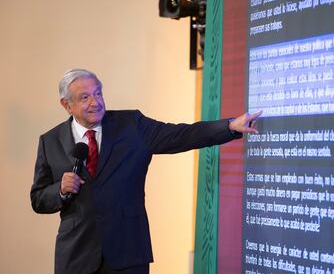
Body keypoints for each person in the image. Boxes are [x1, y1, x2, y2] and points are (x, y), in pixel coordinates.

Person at [30, 69, 261, 274]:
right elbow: (38, 199)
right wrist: (59, 190)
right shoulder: (50, 141)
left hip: (128, 252)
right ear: (66, 105)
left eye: (98, 93)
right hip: (76, 257)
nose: (95, 102)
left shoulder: (132, 125)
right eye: (85, 97)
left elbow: (181, 135)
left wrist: (229, 127)